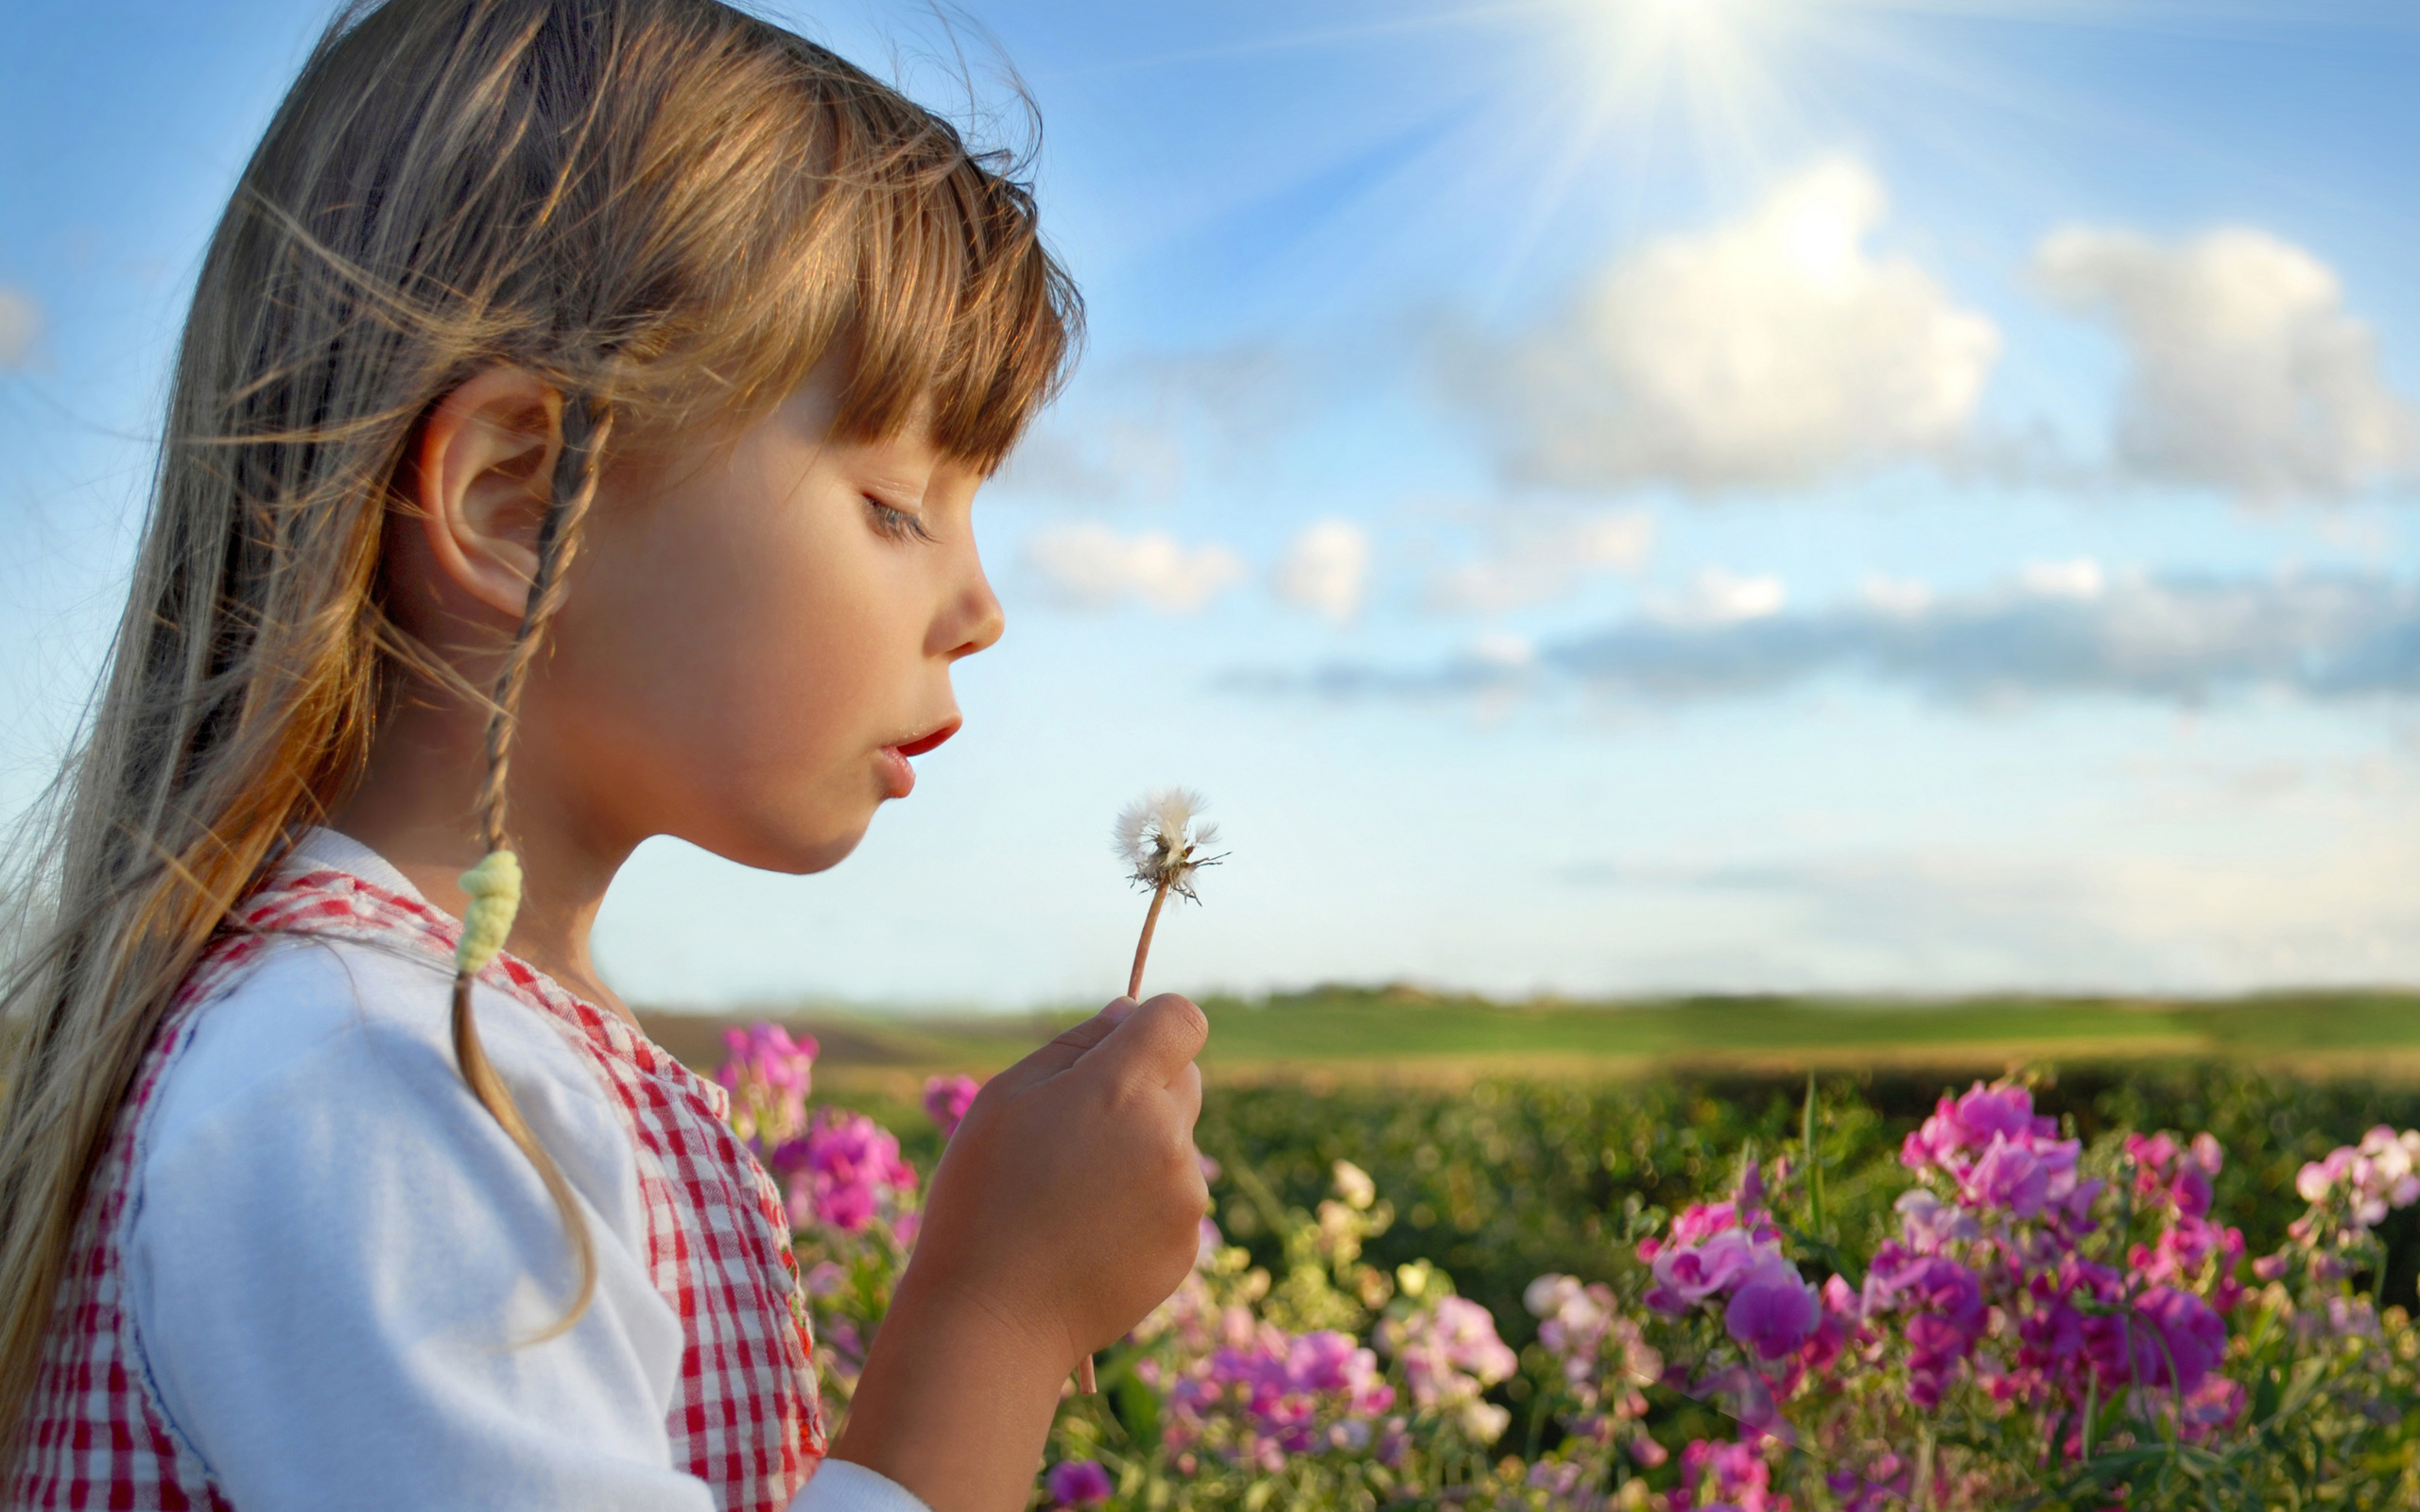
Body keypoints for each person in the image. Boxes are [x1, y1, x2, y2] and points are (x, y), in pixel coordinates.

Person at [0, 2, 1212, 1509]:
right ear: (521, 500)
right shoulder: (373, 1082)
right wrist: (997, 1317)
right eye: (897, 504)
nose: (981, 610)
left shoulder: (458, 1049)